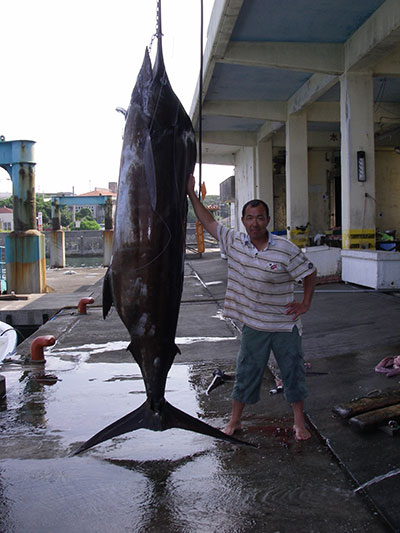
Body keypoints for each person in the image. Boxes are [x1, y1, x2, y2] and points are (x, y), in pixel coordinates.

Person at [187, 174, 317, 441]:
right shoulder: (234, 242)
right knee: (245, 373)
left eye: (259, 217)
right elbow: (208, 221)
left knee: (293, 374)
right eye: (249, 217)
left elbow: (310, 273)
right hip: (253, 325)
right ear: (243, 220)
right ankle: (234, 422)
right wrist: (191, 194)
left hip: (284, 325)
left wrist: (305, 304)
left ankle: (299, 424)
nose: (254, 223)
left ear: (268, 220)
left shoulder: (285, 249)